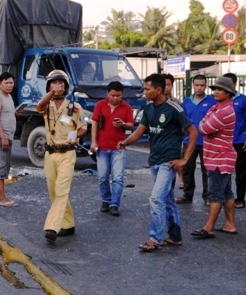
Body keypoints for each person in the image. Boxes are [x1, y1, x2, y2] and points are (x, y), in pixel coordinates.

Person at [120, 73, 196, 252]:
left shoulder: (174, 109)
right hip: (154, 160)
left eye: (147, 89)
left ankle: (155, 238)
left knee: (156, 199)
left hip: (168, 163)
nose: (144, 92)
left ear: (159, 90)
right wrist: (125, 142)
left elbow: (193, 132)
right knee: (167, 200)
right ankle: (175, 237)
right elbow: (140, 131)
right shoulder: (148, 109)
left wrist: (184, 159)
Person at [36, 69, 87, 242]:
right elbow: (40, 106)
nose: (58, 86)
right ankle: (68, 224)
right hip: (50, 153)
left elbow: (83, 127)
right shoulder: (47, 105)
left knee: (61, 189)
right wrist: (51, 93)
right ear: (49, 86)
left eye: (61, 83)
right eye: (54, 83)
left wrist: (75, 135)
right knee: (53, 191)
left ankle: (52, 227)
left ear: (66, 87)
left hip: (67, 153)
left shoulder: (74, 107)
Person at [192, 76, 238, 238]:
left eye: (220, 90)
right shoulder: (217, 107)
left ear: (228, 93)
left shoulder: (224, 111)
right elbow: (204, 123)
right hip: (220, 157)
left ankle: (209, 227)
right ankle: (230, 224)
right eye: (215, 89)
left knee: (215, 194)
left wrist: (204, 125)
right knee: (226, 192)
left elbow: (204, 128)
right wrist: (205, 124)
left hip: (219, 157)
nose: (216, 92)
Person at [90, 80, 134, 216]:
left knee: (118, 177)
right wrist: (93, 142)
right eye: (113, 95)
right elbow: (94, 123)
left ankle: (115, 203)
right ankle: (105, 200)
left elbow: (131, 125)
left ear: (122, 95)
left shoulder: (127, 107)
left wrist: (123, 124)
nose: (115, 98)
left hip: (119, 148)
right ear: (107, 94)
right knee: (103, 177)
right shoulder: (100, 105)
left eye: (118, 96)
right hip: (102, 147)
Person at [177, 74, 215, 205]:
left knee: (207, 170)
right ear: (193, 85)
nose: (199, 88)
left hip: (207, 141)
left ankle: (208, 196)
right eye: (197, 85)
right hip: (189, 142)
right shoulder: (186, 102)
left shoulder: (212, 101)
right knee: (187, 169)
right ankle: (187, 195)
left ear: (206, 86)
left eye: (202, 85)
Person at [224, 73, 246, 208]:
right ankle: (225, 197)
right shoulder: (220, 99)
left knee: (240, 171)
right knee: (224, 170)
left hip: (240, 140)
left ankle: (240, 198)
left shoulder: (244, 100)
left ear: (235, 85)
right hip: (224, 141)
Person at [0, 72, 18, 206]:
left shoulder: (9, 97)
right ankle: (1, 198)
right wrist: (3, 137)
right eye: (6, 83)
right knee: (0, 167)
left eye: (11, 83)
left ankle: (0, 196)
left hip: (8, 136)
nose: (9, 85)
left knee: (5, 167)